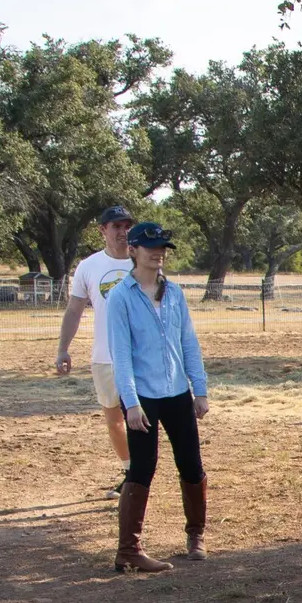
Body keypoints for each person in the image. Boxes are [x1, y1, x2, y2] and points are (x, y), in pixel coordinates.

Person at [106, 221, 210, 573]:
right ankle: (128, 550)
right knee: (142, 468)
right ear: (132, 250)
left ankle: (196, 537)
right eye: (151, 246)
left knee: (191, 464)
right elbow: (120, 355)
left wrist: (200, 389)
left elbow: (189, 343)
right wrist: (131, 403)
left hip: (178, 392)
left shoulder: (175, 294)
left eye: (163, 246)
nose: (159, 252)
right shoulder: (120, 297)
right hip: (143, 397)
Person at [55, 206, 136, 497]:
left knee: (138, 417)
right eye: (116, 226)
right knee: (114, 422)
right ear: (102, 230)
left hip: (138, 358)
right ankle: (130, 471)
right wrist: (63, 349)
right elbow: (75, 309)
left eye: (126, 226)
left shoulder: (142, 261)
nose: (122, 232)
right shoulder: (88, 267)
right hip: (104, 357)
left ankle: (139, 477)